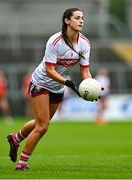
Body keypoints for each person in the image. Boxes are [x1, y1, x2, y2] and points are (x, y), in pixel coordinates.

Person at [7, 8, 99, 170]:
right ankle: (22, 163)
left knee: (41, 121)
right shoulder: (55, 41)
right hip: (40, 83)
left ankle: (16, 138)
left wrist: (91, 87)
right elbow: (50, 70)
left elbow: (85, 70)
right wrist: (68, 82)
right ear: (67, 21)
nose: (81, 21)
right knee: (42, 127)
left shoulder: (84, 43)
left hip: (58, 86)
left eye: (82, 18)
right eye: (77, 18)